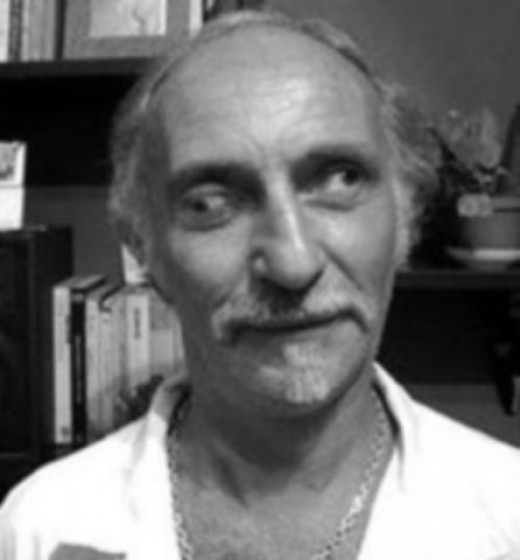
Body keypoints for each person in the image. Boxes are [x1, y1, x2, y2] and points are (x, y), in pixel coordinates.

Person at [1, 9, 520, 560]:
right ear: (143, 250)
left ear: (405, 217)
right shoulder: (38, 528)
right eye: (210, 203)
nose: (293, 263)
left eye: (340, 179)